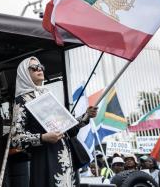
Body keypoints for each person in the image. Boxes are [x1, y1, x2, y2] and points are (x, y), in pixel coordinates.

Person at [9, 56, 98, 187]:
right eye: (34, 68)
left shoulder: (48, 95)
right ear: (24, 74)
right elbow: (16, 138)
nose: (39, 69)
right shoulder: (22, 101)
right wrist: (43, 137)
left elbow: (68, 127)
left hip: (66, 160)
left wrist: (86, 116)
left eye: (41, 67)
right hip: (45, 159)